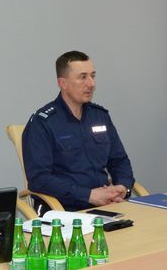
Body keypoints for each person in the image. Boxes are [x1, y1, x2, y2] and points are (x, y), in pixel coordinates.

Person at [21, 51, 135, 212]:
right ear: (63, 83)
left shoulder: (99, 116)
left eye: (92, 76)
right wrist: (88, 195)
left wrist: (122, 187)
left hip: (106, 206)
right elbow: (39, 179)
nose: (91, 84)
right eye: (83, 77)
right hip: (63, 211)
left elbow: (119, 160)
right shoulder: (43, 122)